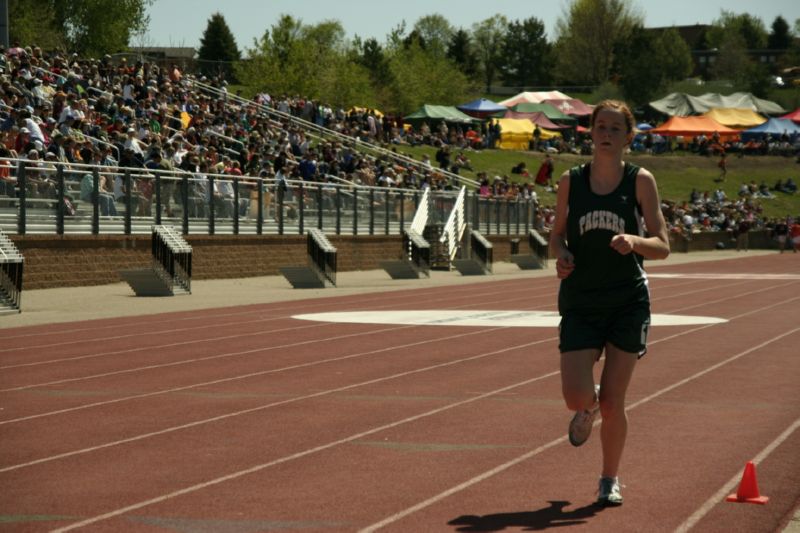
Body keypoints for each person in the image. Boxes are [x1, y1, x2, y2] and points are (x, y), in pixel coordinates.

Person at [549, 100, 670, 506]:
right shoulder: (571, 180)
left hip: (626, 301)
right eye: (600, 127)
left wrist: (635, 242)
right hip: (581, 300)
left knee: (616, 403)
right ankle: (588, 405)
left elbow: (663, 246)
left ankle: (609, 478)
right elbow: (557, 234)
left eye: (615, 129)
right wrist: (562, 254)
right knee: (575, 396)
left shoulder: (640, 181)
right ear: (590, 132)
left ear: (628, 137)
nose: (605, 134)